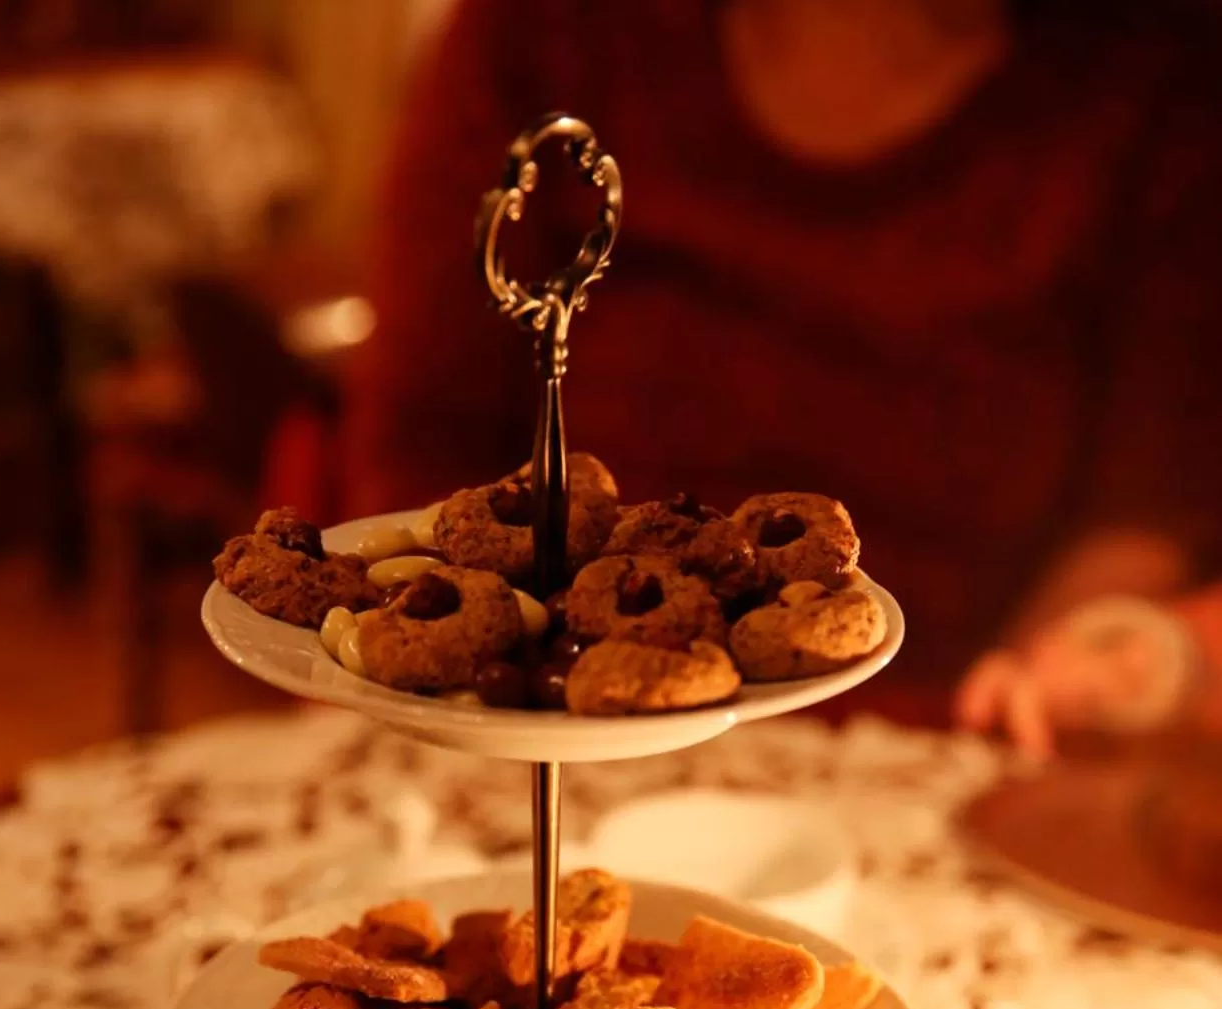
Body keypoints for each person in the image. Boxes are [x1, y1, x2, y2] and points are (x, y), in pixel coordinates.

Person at [342, 0, 1222, 744]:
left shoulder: (1154, 81)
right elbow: (424, 430)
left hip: (926, 740)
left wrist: (1058, 672)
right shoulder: (552, 34)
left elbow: (1143, 508)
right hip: (540, 722)